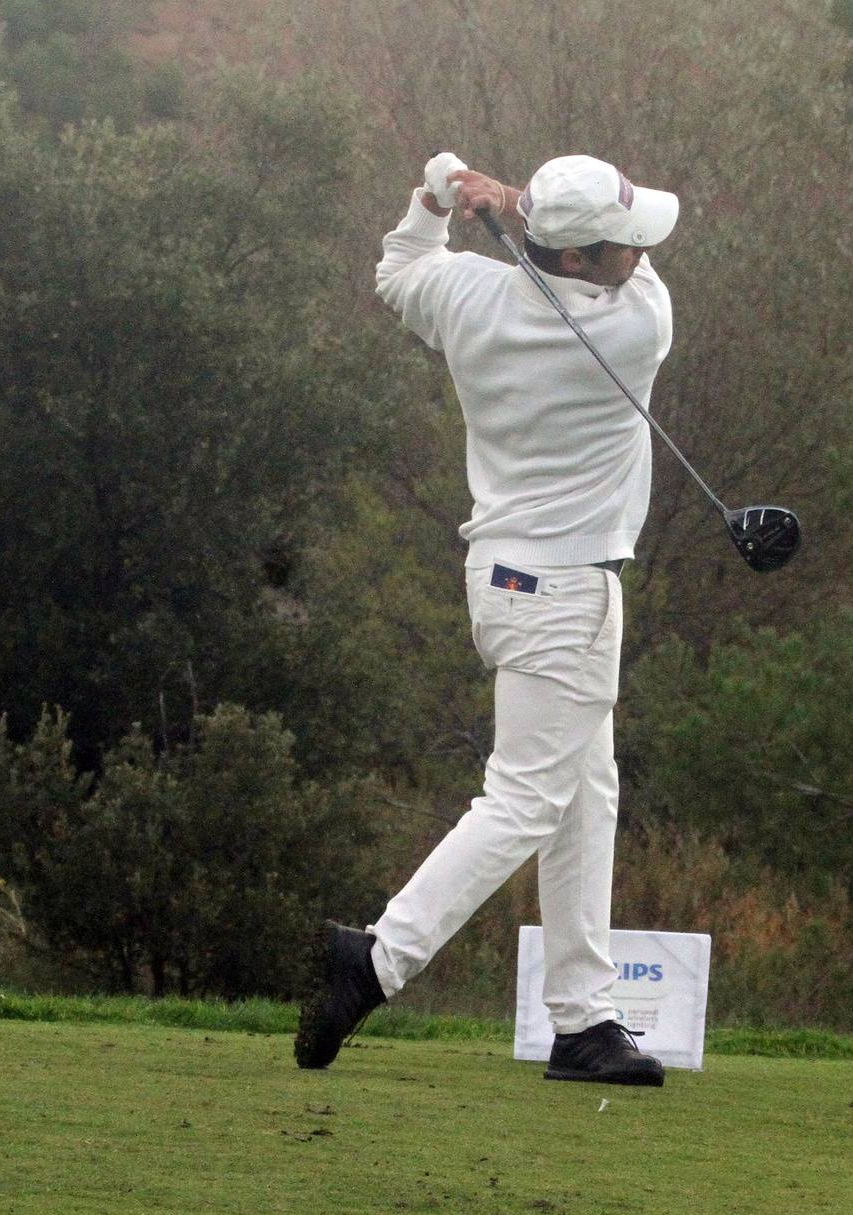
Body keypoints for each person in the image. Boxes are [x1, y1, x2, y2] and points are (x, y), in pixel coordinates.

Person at [295, 152, 679, 1085]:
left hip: (503, 580)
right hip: (569, 594)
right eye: (621, 245)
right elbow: (622, 270)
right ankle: (380, 956)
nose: (639, 255)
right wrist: (508, 201)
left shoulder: (467, 296)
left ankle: (582, 1020)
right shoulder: (636, 325)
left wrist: (437, 196)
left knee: (586, 790)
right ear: (582, 260)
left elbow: (397, 266)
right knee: (526, 799)